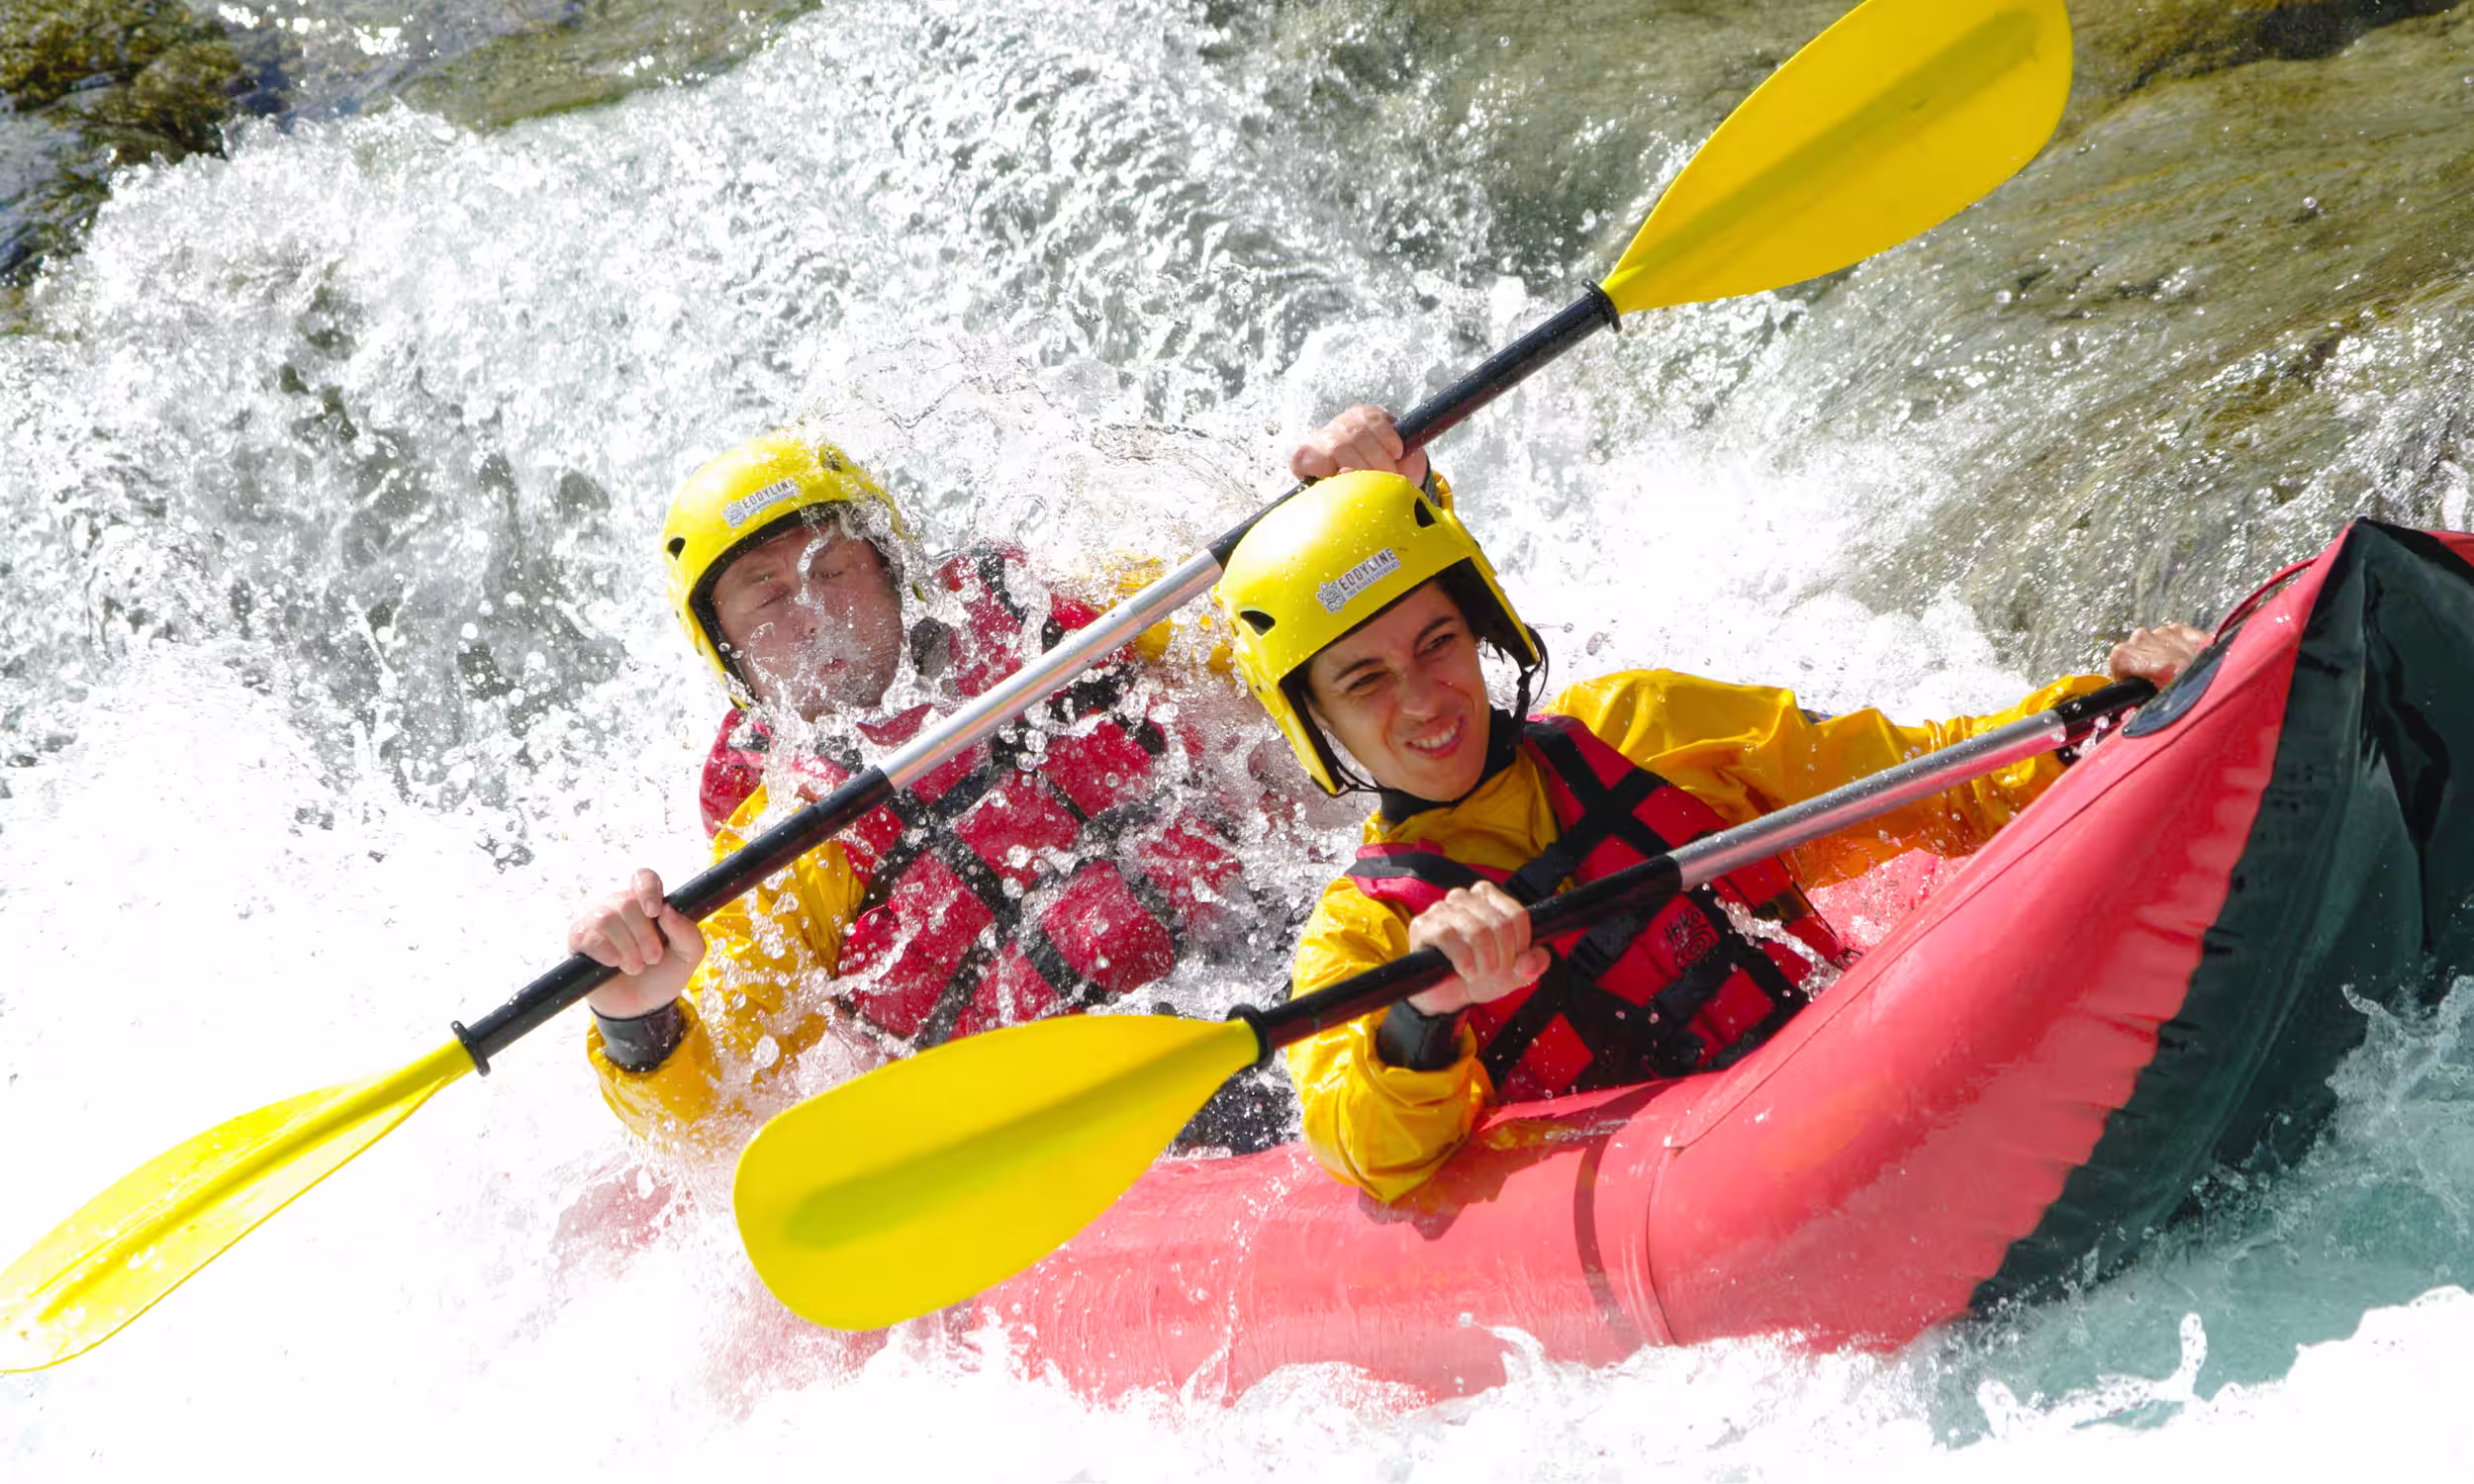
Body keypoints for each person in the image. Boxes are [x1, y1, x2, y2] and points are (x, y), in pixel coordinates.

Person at [1217, 408, 2214, 1202]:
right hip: (1685, 1200)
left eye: (1436, 643)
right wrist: (1424, 1014)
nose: (1424, 698)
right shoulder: (1365, 938)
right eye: (1365, 681)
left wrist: (2098, 706)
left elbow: (1928, 780)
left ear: (1482, 627)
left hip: (1853, 1075)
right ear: (1315, 720)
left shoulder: (1645, 726)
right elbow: (1367, 1150)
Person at [566, 425, 1286, 1155]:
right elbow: (708, 1115)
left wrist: (1361, 496)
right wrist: (637, 1025)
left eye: (832, 570)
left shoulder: (1046, 620)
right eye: (770, 597)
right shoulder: (790, 838)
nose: (815, 613)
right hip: (1060, 1118)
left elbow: (1269, 607)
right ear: (732, 655)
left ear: (890, 568)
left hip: (1259, 961)